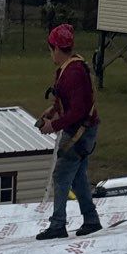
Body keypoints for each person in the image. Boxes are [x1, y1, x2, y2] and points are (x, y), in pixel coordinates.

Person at [36, 24, 102, 240]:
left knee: (62, 174)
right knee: (78, 177)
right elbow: (70, 100)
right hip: (83, 129)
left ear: (55, 48)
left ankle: (58, 225)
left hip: (79, 132)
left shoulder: (72, 73)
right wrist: (54, 109)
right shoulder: (71, 67)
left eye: (50, 49)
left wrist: (52, 126)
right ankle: (91, 220)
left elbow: (78, 111)